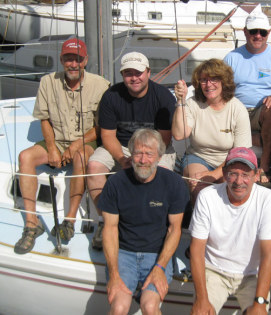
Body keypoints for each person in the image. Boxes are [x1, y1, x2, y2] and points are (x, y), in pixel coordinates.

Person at [14, 38, 110, 254]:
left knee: (82, 158)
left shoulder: (100, 85)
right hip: (56, 139)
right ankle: (32, 224)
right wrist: (52, 148)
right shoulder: (48, 82)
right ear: (61, 60)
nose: (72, 64)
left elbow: (101, 127)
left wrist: (76, 144)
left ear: (85, 60)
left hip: (86, 139)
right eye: (68, 58)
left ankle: (69, 221)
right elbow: (44, 119)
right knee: (24, 157)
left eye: (77, 59)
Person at [86, 51, 177, 250]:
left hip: (154, 146)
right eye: (128, 73)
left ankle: (158, 225)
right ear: (122, 75)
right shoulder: (111, 96)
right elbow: (108, 135)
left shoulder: (162, 97)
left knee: (161, 175)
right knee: (93, 166)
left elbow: (164, 138)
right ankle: (105, 219)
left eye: (138, 72)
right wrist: (122, 157)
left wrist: (142, 157)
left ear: (148, 72)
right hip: (121, 146)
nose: (134, 78)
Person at [100, 128, 189, 315]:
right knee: (118, 307)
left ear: (159, 157)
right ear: (131, 155)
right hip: (124, 253)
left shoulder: (174, 184)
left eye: (149, 154)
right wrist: (114, 274)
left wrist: (160, 267)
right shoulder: (115, 183)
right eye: (138, 153)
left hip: (156, 254)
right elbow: (109, 228)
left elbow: (175, 230)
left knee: (149, 306)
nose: (143, 160)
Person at [189, 147, 271, 314]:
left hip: (252, 275)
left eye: (246, 174)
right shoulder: (207, 196)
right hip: (213, 271)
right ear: (224, 174)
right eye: (233, 173)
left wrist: (260, 303)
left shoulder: (268, 199)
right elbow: (197, 250)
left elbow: (268, 255)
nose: (239, 181)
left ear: (256, 175)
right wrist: (202, 299)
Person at [224, 10, 271, 183]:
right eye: (253, 31)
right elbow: (222, 87)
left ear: (268, 34)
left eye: (262, 32)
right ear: (245, 32)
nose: (258, 36)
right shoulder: (232, 57)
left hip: (262, 111)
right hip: (236, 109)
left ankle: (263, 165)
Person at [173, 59, 251, 201]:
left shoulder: (238, 109)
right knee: (198, 188)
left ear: (224, 82)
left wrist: (214, 174)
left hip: (229, 161)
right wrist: (180, 101)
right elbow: (179, 135)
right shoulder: (192, 104)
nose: (208, 85)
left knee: (229, 190)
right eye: (203, 80)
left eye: (214, 79)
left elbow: (240, 154)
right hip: (198, 157)